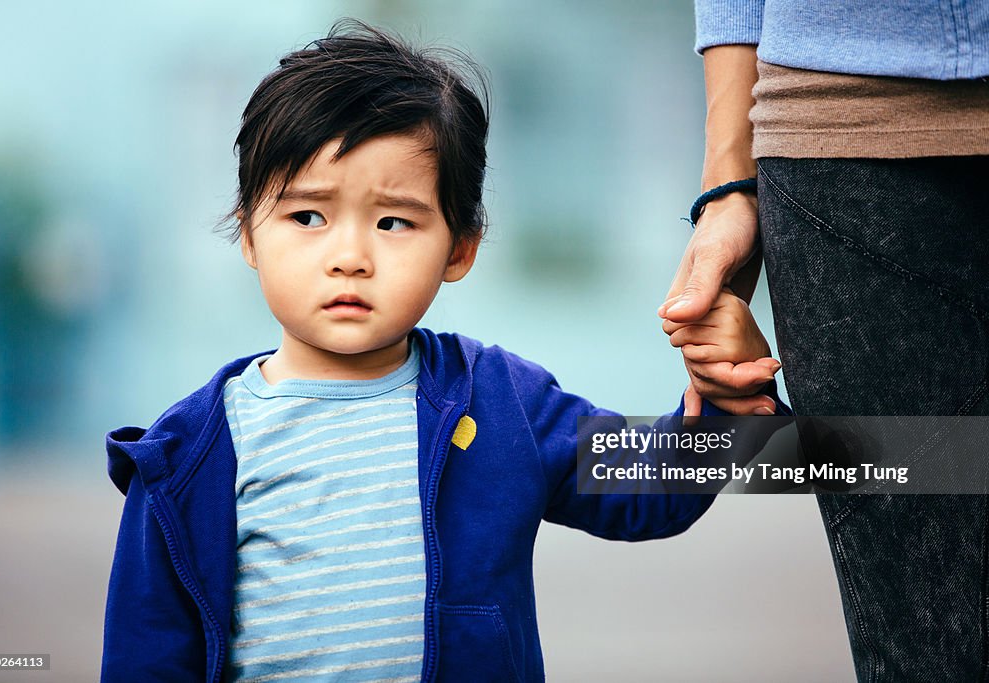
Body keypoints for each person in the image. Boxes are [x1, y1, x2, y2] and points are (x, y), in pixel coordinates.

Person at [100, 20, 786, 682]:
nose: (349, 257)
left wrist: (724, 405)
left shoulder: (500, 401)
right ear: (248, 233)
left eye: (394, 220)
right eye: (308, 216)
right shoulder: (185, 457)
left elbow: (649, 491)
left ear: (460, 247)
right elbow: (145, 658)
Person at [661, 2, 989, 680]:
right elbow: (631, 485)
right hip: (845, 133)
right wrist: (730, 185)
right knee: (928, 653)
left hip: (841, 145)